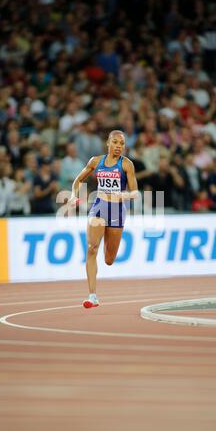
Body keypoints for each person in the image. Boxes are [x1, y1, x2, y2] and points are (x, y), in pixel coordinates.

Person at [69, 130, 138, 308]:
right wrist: (73, 195)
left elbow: (135, 192)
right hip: (99, 207)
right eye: (115, 142)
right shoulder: (95, 161)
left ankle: (107, 256)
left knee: (109, 259)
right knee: (92, 249)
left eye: (122, 144)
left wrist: (121, 196)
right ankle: (92, 296)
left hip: (117, 211)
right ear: (108, 143)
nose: (118, 147)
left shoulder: (127, 165)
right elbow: (77, 180)